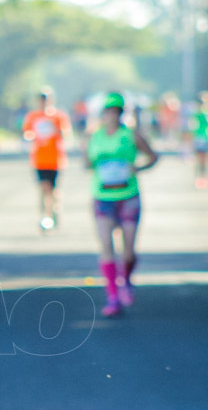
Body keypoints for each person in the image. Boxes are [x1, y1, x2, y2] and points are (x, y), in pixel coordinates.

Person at [84, 92, 158, 317]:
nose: (112, 116)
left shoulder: (131, 136)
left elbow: (153, 157)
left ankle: (125, 279)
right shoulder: (94, 137)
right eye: (108, 112)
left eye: (116, 112)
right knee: (106, 246)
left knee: (128, 252)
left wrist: (138, 168)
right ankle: (112, 296)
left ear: (121, 114)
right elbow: (87, 163)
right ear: (103, 115)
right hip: (103, 197)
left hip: (128, 196)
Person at [22, 89, 71, 231]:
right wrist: (30, 136)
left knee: (54, 190)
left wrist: (54, 129)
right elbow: (27, 132)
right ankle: (45, 216)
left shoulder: (58, 116)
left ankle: (55, 212)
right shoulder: (33, 116)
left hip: (55, 159)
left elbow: (65, 134)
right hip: (39, 159)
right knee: (44, 188)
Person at [188, 92, 208, 189]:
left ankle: (201, 178)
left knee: (201, 160)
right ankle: (200, 178)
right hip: (201, 138)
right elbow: (193, 126)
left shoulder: (198, 112)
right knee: (201, 160)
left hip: (201, 137)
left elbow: (192, 126)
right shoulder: (200, 113)